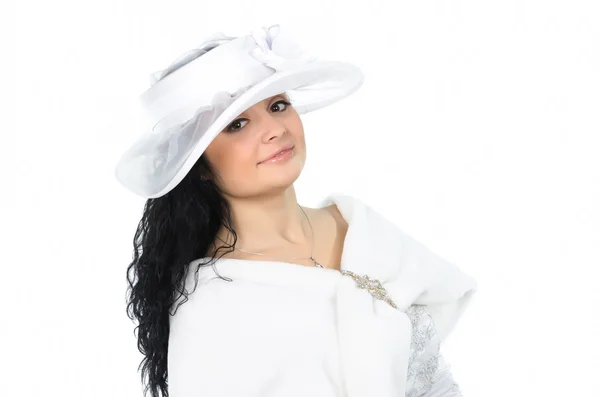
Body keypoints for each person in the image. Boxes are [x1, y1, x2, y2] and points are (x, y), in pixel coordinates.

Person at [115, 24, 478, 397]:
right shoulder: (210, 305)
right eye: (237, 124)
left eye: (278, 105)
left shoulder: (358, 226)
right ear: (199, 166)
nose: (274, 129)